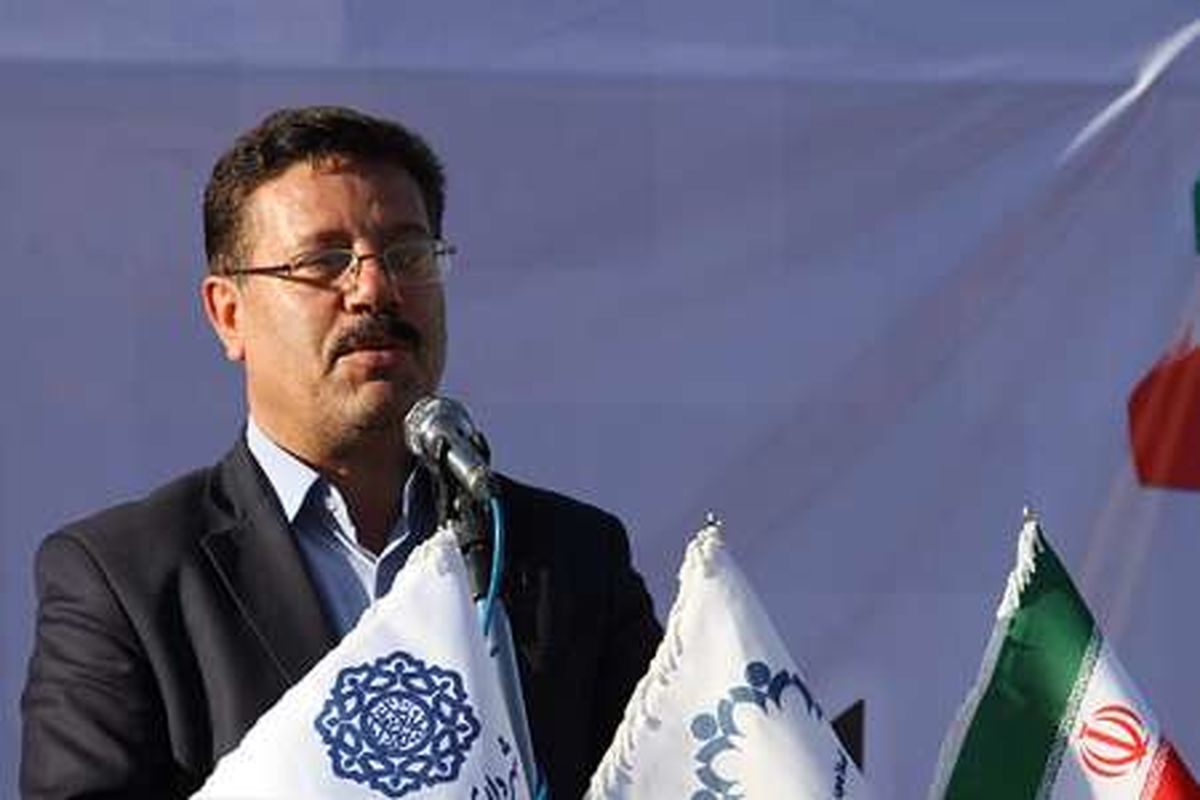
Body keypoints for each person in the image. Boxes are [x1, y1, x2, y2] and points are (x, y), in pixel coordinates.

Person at [20, 105, 662, 799]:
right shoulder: (126, 581)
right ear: (229, 314)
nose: (375, 289)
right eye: (324, 262)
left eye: (408, 255)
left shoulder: (569, 557)